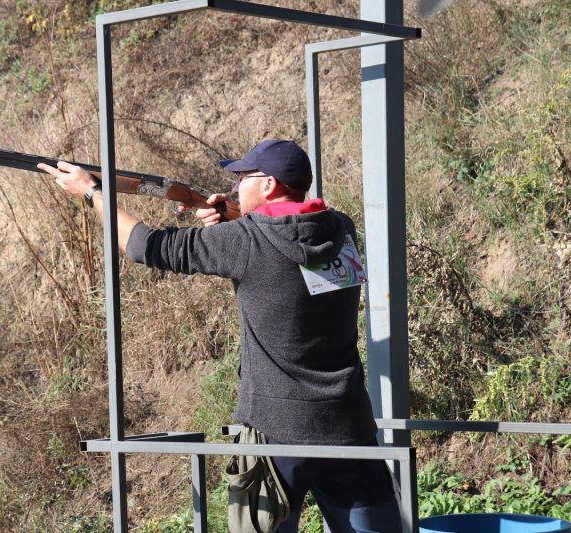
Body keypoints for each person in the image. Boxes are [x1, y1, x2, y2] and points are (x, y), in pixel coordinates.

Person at [40, 139, 401, 533]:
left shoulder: (243, 241)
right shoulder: (341, 229)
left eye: (242, 178)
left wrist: (92, 192)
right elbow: (289, 235)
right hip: (349, 425)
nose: (235, 187)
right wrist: (234, 215)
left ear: (268, 184)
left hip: (276, 434)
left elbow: (142, 245)